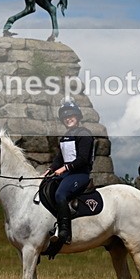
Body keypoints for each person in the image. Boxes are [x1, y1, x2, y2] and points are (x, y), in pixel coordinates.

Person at [44, 97, 94, 246]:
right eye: (65, 117)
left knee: (60, 194)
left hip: (80, 174)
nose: (68, 119)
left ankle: (65, 233)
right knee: (47, 187)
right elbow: (60, 159)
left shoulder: (84, 134)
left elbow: (83, 159)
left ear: (77, 116)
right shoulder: (65, 137)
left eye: (71, 115)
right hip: (67, 173)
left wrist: (65, 168)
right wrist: (48, 171)